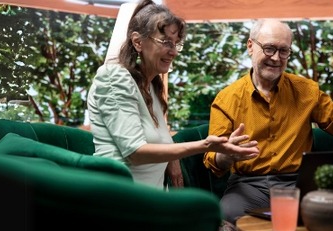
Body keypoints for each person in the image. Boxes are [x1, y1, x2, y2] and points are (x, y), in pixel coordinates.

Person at [203, 19, 333, 224]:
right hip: (248, 186)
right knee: (225, 216)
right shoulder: (226, 99)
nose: (276, 58)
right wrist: (227, 155)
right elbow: (213, 159)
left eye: (284, 51)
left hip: (298, 184)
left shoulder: (307, 91)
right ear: (250, 47)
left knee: (331, 216)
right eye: (269, 48)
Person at [86, 0, 259, 190]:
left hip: (150, 199)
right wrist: (205, 145)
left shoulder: (151, 85)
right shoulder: (113, 76)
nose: (174, 52)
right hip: (118, 196)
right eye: (166, 42)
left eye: (176, 44)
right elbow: (136, 152)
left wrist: (172, 160)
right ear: (137, 42)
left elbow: (154, 138)